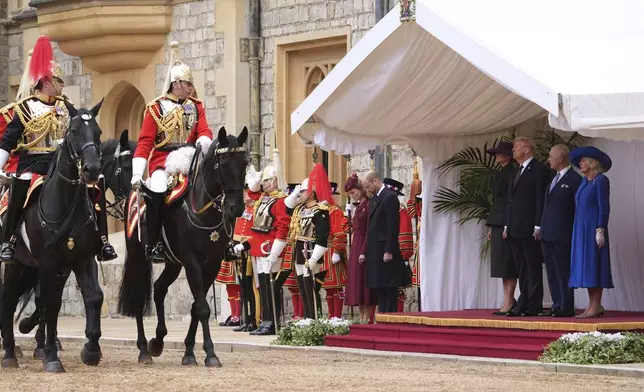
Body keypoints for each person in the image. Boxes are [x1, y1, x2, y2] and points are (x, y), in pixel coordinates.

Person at [0, 36, 117, 263]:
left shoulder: (66, 108)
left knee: (96, 182)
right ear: (46, 81)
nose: (62, 85)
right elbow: (7, 140)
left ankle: (103, 241)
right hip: (33, 161)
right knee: (20, 184)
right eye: (59, 81)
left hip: (61, 161)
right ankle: (9, 241)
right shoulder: (25, 108)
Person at [130, 41, 213, 263]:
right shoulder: (155, 108)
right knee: (156, 191)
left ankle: (221, 240)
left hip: (191, 158)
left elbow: (204, 132)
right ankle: (155, 243)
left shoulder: (196, 106)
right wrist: (138, 172)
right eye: (187, 84)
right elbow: (145, 142)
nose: (191, 88)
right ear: (176, 83)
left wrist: (205, 144)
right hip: (163, 162)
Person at [503, 137, 550, 317]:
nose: (513, 150)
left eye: (517, 147)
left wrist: (538, 225)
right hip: (515, 226)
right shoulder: (517, 171)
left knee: (532, 266)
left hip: (530, 226)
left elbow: (540, 199)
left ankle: (534, 303)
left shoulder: (539, 170)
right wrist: (507, 224)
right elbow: (511, 200)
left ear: (528, 150)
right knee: (521, 267)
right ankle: (523, 301)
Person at [246, 162, 291, 335]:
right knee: (262, 286)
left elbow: (282, 226)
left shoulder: (280, 201)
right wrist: (256, 180)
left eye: (267, 180)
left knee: (271, 286)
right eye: (263, 181)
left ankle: (272, 321)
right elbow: (251, 192)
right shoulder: (263, 198)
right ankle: (266, 319)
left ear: (275, 181)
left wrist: (275, 252)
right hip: (259, 248)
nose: (264, 184)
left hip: (270, 248)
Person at [569, 146, 613, 318]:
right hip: (581, 228)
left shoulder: (601, 180)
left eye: (583, 160)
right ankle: (592, 305)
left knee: (595, 264)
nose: (580, 163)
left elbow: (604, 207)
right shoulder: (584, 181)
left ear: (592, 162)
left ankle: (596, 305)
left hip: (594, 228)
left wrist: (600, 228)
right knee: (586, 267)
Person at [284, 164, 331, 319]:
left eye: (304, 191)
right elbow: (287, 206)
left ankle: (313, 317)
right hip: (299, 249)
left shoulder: (320, 211)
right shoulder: (299, 209)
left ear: (311, 193)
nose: (301, 194)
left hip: (311, 250)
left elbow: (322, 238)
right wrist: (295, 193)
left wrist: (314, 258)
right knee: (302, 285)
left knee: (310, 286)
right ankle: (307, 317)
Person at [539, 145, 581, 317]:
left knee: (563, 270)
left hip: (563, 233)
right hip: (548, 232)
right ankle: (557, 304)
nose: (548, 160)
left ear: (561, 158)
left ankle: (566, 306)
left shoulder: (574, 179)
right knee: (552, 271)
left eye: (551, 156)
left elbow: (577, 208)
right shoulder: (553, 179)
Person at [362, 171, 411, 313]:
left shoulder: (389, 197)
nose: (367, 190)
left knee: (389, 288)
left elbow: (392, 225)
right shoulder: (375, 198)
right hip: (375, 250)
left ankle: (390, 318)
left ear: (376, 181)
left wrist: (389, 249)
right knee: (379, 287)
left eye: (368, 186)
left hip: (384, 249)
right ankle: (383, 317)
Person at [484, 141, 518, 315]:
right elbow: (497, 201)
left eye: (499, 153)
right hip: (497, 221)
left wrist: (506, 223)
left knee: (508, 262)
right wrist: (492, 225)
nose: (496, 156)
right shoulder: (502, 173)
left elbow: (510, 201)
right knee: (500, 264)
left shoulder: (513, 172)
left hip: (506, 221)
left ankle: (509, 299)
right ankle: (507, 299)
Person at [227, 185, 258, 332]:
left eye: (247, 192)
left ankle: (254, 318)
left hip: (250, 251)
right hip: (240, 252)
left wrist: (243, 245)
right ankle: (246, 318)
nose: (245, 195)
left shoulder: (256, 209)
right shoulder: (244, 210)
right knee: (243, 288)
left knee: (251, 288)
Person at [344, 173, 374, 322]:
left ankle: (368, 317)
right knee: (357, 283)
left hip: (363, 244)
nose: (352, 196)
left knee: (364, 284)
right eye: (350, 194)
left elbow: (369, 230)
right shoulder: (358, 206)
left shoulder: (368, 205)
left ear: (360, 189)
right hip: (355, 244)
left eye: (353, 192)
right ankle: (361, 316)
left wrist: (363, 251)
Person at [382, 178, 414, 313]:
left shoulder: (401, 211)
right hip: (382, 251)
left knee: (397, 289)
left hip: (396, 253)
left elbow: (404, 233)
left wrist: (404, 255)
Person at [320, 182, 348, 319]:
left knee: (336, 286)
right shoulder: (320, 210)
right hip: (322, 250)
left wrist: (337, 251)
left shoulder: (335, 211)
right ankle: (331, 315)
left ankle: (337, 316)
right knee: (327, 287)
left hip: (332, 249)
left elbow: (340, 233)